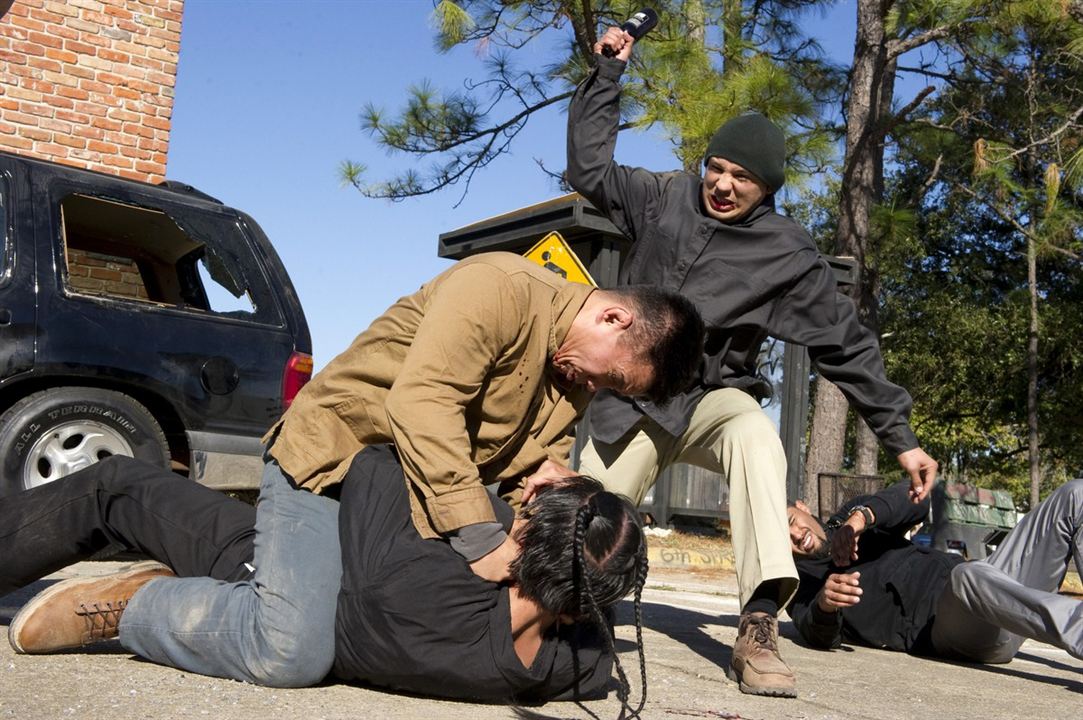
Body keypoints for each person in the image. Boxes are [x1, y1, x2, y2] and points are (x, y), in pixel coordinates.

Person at [1, 251, 703, 690]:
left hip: (410, 495)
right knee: (291, 651)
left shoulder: (571, 369)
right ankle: (137, 608)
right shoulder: (498, 286)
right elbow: (423, 403)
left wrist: (553, 486)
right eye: (614, 378)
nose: (597, 389)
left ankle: (210, 564)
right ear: (612, 317)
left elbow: (524, 461)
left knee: (361, 615)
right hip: (330, 466)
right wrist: (484, 543)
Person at [564, 25, 939, 698]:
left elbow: (843, 344)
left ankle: (759, 623)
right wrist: (605, 78)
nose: (722, 184)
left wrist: (900, 439)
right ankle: (571, 602)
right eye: (717, 168)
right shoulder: (661, 196)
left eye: (741, 178)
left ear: (766, 189)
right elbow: (589, 169)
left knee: (757, 440)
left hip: (710, 399)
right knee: (590, 507)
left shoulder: (787, 252)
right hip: (634, 401)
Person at [2, 446, 650, 710]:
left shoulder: (417, 589)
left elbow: (372, 468)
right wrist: (575, 547)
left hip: (283, 573)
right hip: (326, 579)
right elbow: (594, 641)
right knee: (151, 502)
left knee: (120, 489)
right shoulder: (568, 669)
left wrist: (490, 508)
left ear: (524, 543)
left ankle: (143, 599)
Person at [785, 479, 1083, 663]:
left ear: (803, 507)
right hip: (959, 627)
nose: (796, 535)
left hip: (1001, 593)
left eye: (790, 522)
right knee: (967, 576)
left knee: (1074, 495)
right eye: (782, 538)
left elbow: (916, 498)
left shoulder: (854, 514)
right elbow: (816, 632)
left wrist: (863, 516)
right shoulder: (804, 587)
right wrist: (825, 605)